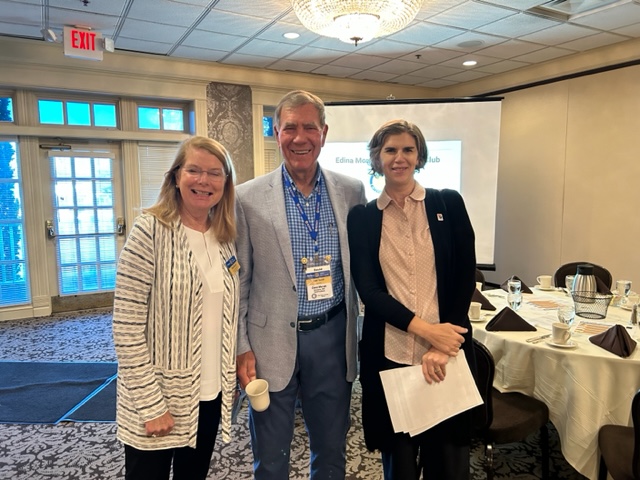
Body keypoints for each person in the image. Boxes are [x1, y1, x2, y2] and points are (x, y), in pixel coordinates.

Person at [235, 90, 367, 480]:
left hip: (332, 336)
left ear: (323, 133)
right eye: (289, 128)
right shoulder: (246, 197)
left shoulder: (352, 191)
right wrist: (241, 346)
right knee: (271, 456)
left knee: (331, 449)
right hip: (269, 341)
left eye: (309, 127)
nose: (299, 138)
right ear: (276, 133)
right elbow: (240, 281)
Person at [346, 119, 477, 480]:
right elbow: (370, 291)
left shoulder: (448, 203)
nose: (399, 158)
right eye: (390, 150)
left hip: (445, 357)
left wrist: (442, 344)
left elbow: (464, 276)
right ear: (377, 158)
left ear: (420, 156)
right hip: (391, 357)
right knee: (400, 466)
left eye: (408, 149)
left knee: (447, 466)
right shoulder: (362, 218)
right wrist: (428, 332)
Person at [112, 136, 240, 480]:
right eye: (194, 170)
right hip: (160, 397)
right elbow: (126, 328)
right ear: (176, 176)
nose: (204, 181)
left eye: (215, 173)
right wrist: (150, 404)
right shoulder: (149, 231)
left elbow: (225, 316)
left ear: (226, 182)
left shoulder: (224, 236)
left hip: (208, 395)